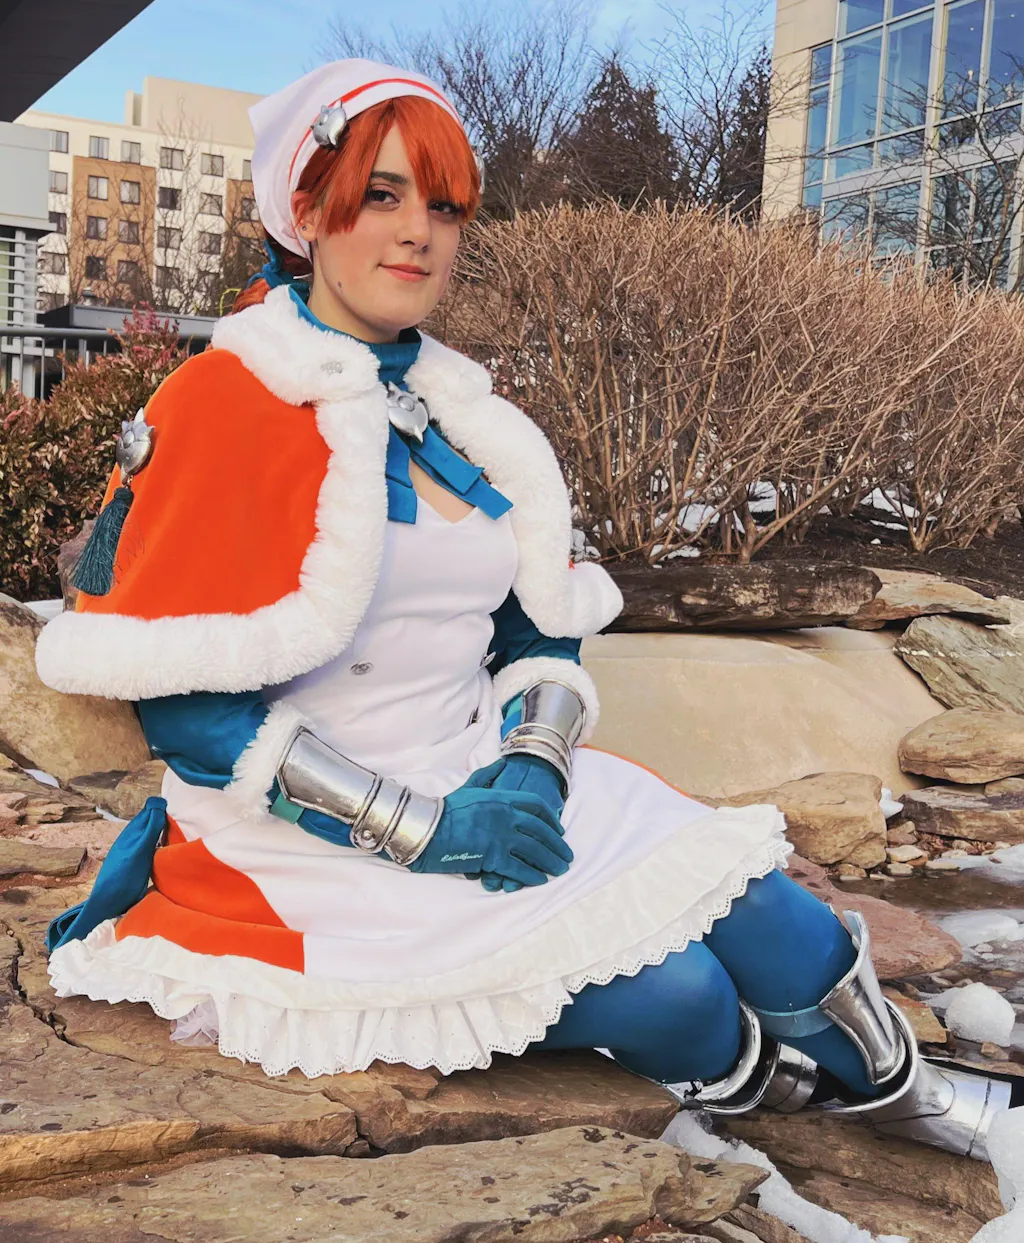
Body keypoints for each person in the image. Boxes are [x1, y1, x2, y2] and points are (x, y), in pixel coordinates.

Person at [35, 58, 1017, 1160]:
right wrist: (426, 829)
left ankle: (931, 1110)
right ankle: (779, 1108)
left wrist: (533, 766)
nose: (418, 232)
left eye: (445, 206)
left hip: (479, 769)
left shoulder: (462, 408)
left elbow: (535, 623)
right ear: (305, 212)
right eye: (380, 195)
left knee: (781, 921)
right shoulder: (221, 399)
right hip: (295, 850)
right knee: (680, 996)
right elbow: (186, 710)